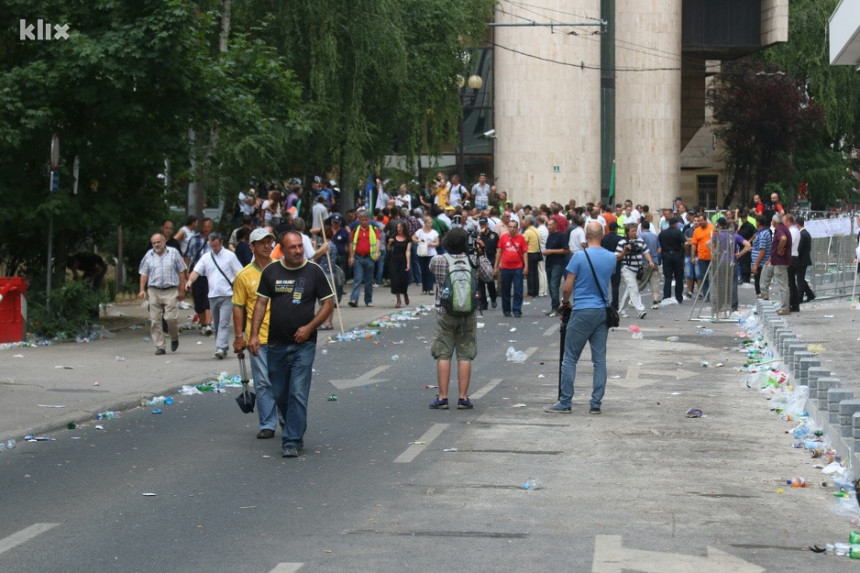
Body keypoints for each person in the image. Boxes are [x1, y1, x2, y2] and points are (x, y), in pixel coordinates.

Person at [248, 231, 334, 458]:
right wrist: (254, 335)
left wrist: (309, 328)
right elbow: (260, 304)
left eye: (299, 246)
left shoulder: (314, 272)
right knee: (279, 394)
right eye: (292, 247)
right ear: (283, 250)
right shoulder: (271, 271)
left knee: (297, 391)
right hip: (275, 344)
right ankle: (295, 425)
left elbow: (328, 304)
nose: (297, 251)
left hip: (303, 345)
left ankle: (292, 440)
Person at [544, 222, 616, 415]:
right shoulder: (611, 258)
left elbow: (567, 286)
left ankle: (565, 401)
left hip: (582, 310)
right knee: (599, 359)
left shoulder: (578, 257)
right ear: (602, 235)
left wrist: (565, 301)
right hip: (601, 311)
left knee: (570, 358)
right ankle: (595, 403)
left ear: (585, 235)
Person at [427, 228, 494, 410]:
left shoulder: (439, 260)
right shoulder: (474, 261)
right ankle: (463, 398)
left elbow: (431, 269)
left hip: (445, 313)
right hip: (468, 314)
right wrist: (481, 253)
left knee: (444, 354)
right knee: (464, 355)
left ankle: (442, 397)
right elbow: (489, 276)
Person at [232, 228, 278, 440]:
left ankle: (287, 419)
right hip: (257, 338)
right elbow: (238, 306)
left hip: (283, 336)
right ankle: (267, 423)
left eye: (270, 242)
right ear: (252, 247)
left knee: (283, 381)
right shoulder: (244, 276)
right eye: (262, 243)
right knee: (263, 382)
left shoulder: (282, 269)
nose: (267, 246)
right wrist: (239, 336)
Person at [185, 232, 243, 359]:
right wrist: (189, 281)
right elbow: (196, 271)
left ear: (221, 242)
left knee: (223, 322)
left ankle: (221, 348)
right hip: (212, 295)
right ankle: (222, 346)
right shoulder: (206, 257)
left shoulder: (230, 256)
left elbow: (240, 273)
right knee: (216, 324)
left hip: (227, 294)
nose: (215, 249)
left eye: (216, 246)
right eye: (212, 246)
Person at [138, 233, 187, 355]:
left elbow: (181, 271)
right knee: (155, 320)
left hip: (171, 290)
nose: (156, 245)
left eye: (158, 242)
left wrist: (182, 289)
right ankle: (160, 346)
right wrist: (142, 289)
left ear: (164, 241)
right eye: (154, 243)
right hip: (154, 290)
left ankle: (174, 337)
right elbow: (144, 273)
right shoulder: (149, 255)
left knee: (171, 319)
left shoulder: (174, 253)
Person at [616, 223, 654, 319]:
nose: (635, 232)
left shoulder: (640, 241)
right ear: (627, 232)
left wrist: (650, 261)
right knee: (634, 289)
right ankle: (640, 310)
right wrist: (625, 251)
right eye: (632, 231)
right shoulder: (622, 242)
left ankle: (621, 309)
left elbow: (646, 252)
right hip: (627, 269)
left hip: (637, 269)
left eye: (635, 230)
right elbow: (617, 257)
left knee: (630, 290)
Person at [185, 217, 214, 335]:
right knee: (198, 301)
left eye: (208, 227)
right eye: (205, 227)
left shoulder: (214, 240)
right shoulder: (194, 240)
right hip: (197, 274)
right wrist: (187, 273)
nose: (206, 229)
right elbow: (187, 256)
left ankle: (208, 324)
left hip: (210, 274)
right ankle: (203, 323)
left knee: (208, 299)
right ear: (201, 226)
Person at [495, 219, 528, 317]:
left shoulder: (521, 238)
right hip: (505, 267)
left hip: (518, 267)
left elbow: (525, 252)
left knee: (518, 290)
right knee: (505, 290)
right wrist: (495, 266)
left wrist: (526, 266)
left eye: (514, 227)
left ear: (517, 228)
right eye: (510, 227)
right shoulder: (503, 237)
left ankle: (517, 310)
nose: (512, 229)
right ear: (508, 228)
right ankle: (506, 310)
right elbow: (499, 252)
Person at [760, 213, 791, 315]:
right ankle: (764, 293)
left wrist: (780, 249)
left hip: (780, 261)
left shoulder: (781, 230)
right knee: (766, 270)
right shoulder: (780, 229)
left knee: (782, 284)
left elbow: (783, 239)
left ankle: (785, 307)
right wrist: (770, 258)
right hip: (775, 260)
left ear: (774, 222)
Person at [348, 210, 380, 307]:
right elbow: (352, 243)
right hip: (358, 257)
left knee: (369, 281)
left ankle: (368, 300)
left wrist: (377, 253)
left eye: (366, 220)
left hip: (369, 257)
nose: (364, 222)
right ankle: (354, 299)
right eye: (362, 220)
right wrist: (351, 257)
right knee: (357, 279)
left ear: (369, 220)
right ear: (359, 220)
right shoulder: (356, 230)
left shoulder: (373, 230)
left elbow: (378, 241)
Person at [543, 217, 569, 315]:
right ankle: (556, 306)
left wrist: (551, 251)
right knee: (550, 286)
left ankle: (556, 308)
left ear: (555, 225)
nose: (549, 227)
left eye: (550, 225)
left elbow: (566, 250)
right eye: (548, 225)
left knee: (554, 285)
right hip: (549, 263)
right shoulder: (549, 236)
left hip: (558, 263)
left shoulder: (561, 236)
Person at [658, 217, 685, 304]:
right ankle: (679, 297)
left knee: (668, 277)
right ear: (675, 224)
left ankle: (666, 296)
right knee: (679, 277)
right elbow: (685, 243)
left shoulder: (662, 233)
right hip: (677, 255)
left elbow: (660, 244)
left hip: (666, 256)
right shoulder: (678, 233)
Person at [413, 216, 440, 295]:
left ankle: (430, 288)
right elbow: (413, 238)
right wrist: (420, 241)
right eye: (428, 223)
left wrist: (431, 244)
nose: (430, 224)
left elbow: (437, 242)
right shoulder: (420, 231)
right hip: (422, 253)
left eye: (431, 223)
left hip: (431, 253)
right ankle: (424, 289)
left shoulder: (434, 232)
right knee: (423, 270)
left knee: (430, 271)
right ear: (425, 223)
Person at [476, 217, 499, 310]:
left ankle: (493, 298)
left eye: (484, 224)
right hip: (481, 260)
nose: (483, 226)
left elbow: (496, 249)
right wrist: (478, 236)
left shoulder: (494, 235)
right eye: (481, 225)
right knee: (480, 282)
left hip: (491, 259)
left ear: (487, 224)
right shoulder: (478, 235)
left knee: (490, 281)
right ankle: (483, 303)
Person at [387, 221, 412, 308]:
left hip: (403, 261)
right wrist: (389, 243)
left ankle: (405, 293)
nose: (399, 229)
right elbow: (388, 249)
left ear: (404, 228)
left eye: (400, 227)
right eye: (397, 228)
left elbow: (408, 251)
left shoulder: (408, 239)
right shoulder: (393, 237)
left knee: (403, 280)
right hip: (394, 260)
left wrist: (408, 263)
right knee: (395, 280)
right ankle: (398, 300)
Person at [690, 214, 714, 298]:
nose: (699, 222)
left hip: (713, 257)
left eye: (701, 221)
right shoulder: (696, 231)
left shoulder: (712, 228)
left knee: (714, 276)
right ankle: (706, 295)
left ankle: (714, 294)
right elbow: (694, 244)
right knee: (704, 277)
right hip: (702, 257)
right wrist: (692, 257)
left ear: (705, 220)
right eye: (698, 221)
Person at [795, 217, 815, 304]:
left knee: (800, 279)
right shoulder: (806, 233)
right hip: (804, 259)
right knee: (801, 278)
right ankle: (810, 294)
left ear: (797, 224)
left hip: (801, 260)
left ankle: (799, 297)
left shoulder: (802, 234)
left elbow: (799, 248)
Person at [784, 213, 801, 312]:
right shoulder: (792, 230)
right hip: (792, 256)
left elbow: (790, 243)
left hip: (792, 257)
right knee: (791, 282)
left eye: (784, 221)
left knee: (791, 282)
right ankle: (793, 303)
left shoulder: (793, 231)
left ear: (788, 221)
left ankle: (794, 304)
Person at [752, 216, 772, 297]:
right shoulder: (760, 233)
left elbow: (762, 250)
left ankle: (762, 298)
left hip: (761, 264)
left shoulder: (764, 234)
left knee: (759, 284)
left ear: (759, 223)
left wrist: (756, 264)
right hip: (759, 262)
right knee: (757, 284)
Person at [522, 216, 541, 298]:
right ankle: (536, 291)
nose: (524, 222)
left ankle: (530, 292)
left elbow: (524, 242)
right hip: (536, 253)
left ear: (528, 222)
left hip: (530, 253)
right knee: (535, 273)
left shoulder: (528, 232)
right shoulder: (536, 230)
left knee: (530, 273)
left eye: (525, 221)